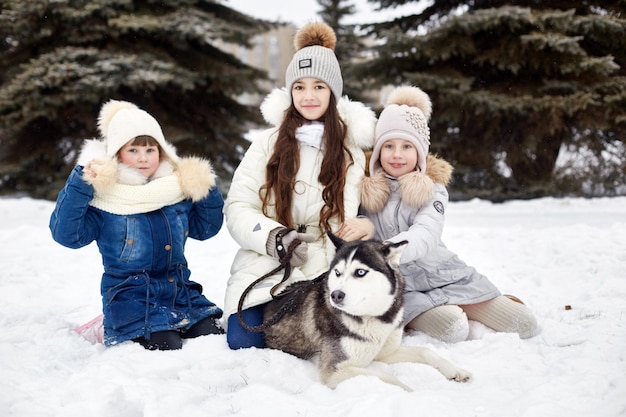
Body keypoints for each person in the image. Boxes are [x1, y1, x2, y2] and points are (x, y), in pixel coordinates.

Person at [223, 22, 377, 349]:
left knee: (322, 342)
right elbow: (237, 206)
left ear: (333, 93)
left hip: (322, 270)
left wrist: (366, 224)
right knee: (242, 341)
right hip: (265, 263)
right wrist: (272, 237)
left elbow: (368, 211)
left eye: (319, 86)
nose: (308, 96)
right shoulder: (267, 143)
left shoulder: (351, 153)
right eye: (299, 87)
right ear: (289, 91)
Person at [359, 85, 538, 343]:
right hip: (402, 287)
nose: (397, 155)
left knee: (525, 324)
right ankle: (434, 313)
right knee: (452, 330)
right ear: (378, 151)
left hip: (445, 276)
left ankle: (472, 303)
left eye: (407, 146)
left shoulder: (433, 188)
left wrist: (385, 251)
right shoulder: (364, 187)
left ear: (419, 151)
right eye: (389, 146)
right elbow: (352, 225)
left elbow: (426, 233)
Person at [50, 100, 225, 350]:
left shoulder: (173, 192)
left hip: (179, 293)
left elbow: (206, 229)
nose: (143, 158)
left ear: (161, 152)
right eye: (133, 150)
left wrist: (204, 185)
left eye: (150, 150)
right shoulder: (105, 199)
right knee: (166, 345)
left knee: (213, 336)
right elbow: (67, 236)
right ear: (116, 154)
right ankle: (105, 325)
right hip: (131, 300)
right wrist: (81, 184)